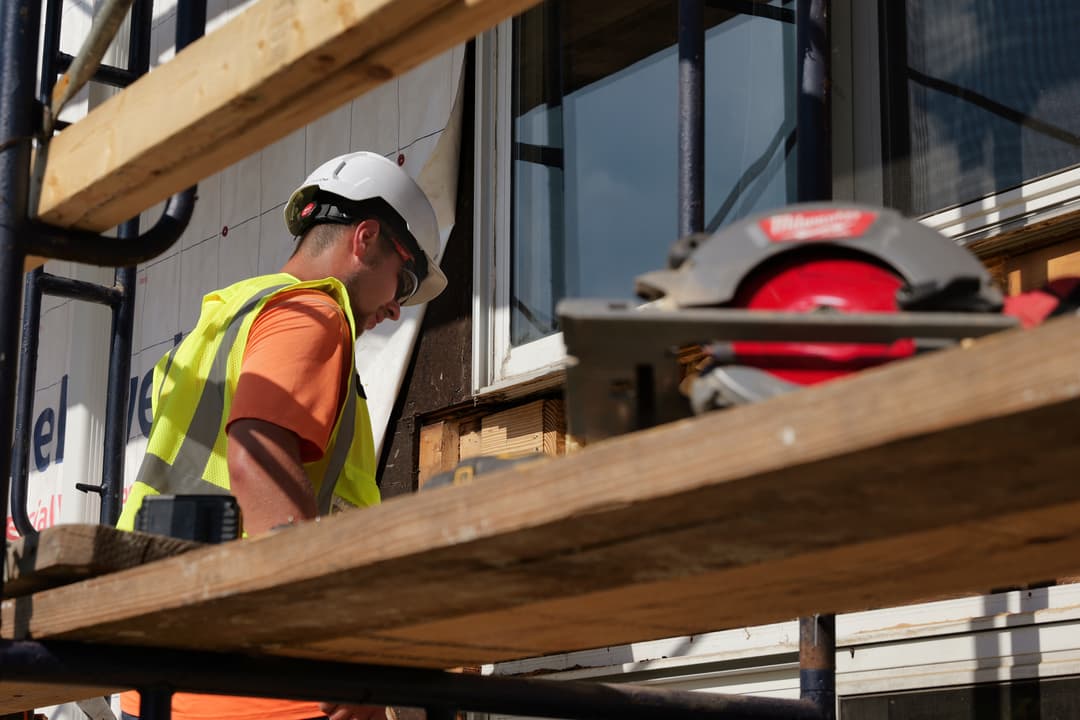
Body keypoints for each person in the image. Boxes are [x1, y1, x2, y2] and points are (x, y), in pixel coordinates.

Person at [115, 151, 447, 720]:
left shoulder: (231, 318)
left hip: (161, 659)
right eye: (406, 278)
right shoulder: (314, 313)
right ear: (366, 238)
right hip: (252, 665)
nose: (396, 307)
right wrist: (322, 639)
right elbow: (259, 457)